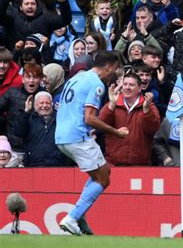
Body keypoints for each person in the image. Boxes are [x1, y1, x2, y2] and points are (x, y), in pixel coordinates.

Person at [56, 51, 129, 236]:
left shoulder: (77, 78)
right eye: (116, 69)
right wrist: (116, 132)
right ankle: (72, 217)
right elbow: (89, 118)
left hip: (61, 136)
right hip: (78, 136)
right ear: (109, 66)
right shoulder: (96, 84)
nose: (115, 73)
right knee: (103, 179)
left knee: (103, 171)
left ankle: (79, 215)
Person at [99, 73, 161, 165]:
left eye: (131, 85)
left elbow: (153, 129)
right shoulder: (113, 104)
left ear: (139, 88)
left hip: (140, 165)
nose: (127, 87)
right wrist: (111, 104)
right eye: (125, 84)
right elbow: (101, 125)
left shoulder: (148, 105)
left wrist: (146, 111)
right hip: (113, 164)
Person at [14, 91, 71, 167]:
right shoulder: (29, 118)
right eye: (41, 103)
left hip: (57, 164)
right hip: (33, 165)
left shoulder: (59, 119)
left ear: (52, 104)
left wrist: (65, 114)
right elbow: (18, 132)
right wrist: (26, 112)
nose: (44, 105)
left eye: (47, 103)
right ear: (35, 105)